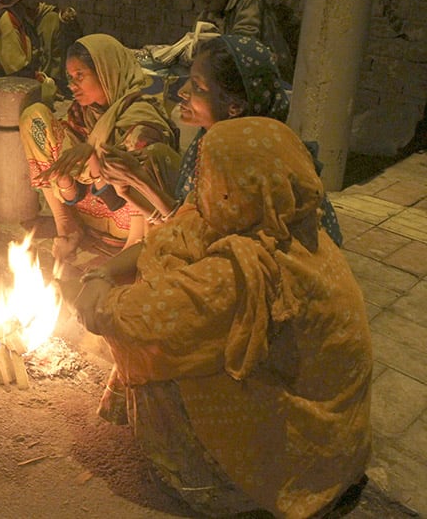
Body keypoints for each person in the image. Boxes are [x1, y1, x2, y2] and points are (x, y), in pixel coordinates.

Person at [72, 116, 372, 518]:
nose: (201, 185)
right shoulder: (287, 221)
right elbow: (177, 232)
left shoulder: (247, 269)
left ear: (232, 183)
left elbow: (130, 316)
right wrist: (105, 271)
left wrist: (94, 289)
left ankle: (207, 485)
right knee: (165, 271)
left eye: (207, 174)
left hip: (300, 466)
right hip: (334, 445)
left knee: (160, 350)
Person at [98, 34, 342, 249]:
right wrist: (130, 188)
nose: (182, 92)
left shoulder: (246, 160)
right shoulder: (210, 138)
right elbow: (185, 219)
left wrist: (139, 179)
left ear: (234, 106)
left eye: (197, 86)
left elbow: (201, 242)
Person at [20, 34, 181, 262]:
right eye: (70, 77)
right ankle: (67, 227)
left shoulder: (141, 117)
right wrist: (64, 179)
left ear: (107, 72)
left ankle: (134, 246)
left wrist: (94, 159)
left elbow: (119, 197)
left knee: (141, 150)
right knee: (34, 117)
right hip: (89, 214)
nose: (72, 86)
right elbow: (74, 193)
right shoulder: (82, 112)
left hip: (130, 219)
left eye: (80, 76)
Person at [195, 0, 294, 79]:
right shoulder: (219, 5)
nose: (205, 7)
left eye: (208, 2)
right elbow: (202, 23)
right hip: (245, 64)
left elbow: (244, 40)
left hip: (271, 69)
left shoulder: (249, 0)